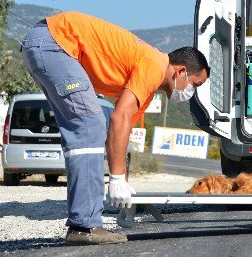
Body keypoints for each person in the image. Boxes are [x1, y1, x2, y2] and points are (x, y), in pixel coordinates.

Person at [20, 12, 210, 245]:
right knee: (89, 123)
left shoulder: (147, 89)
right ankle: (84, 226)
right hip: (54, 43)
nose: (192, 91)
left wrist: (124, 188)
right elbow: (119, 118)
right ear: (181, 71)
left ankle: (84, 222)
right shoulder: (154, 65)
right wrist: (116, 180)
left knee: (85, 127)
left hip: (46, 43)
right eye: (195, 84)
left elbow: (121, 132)